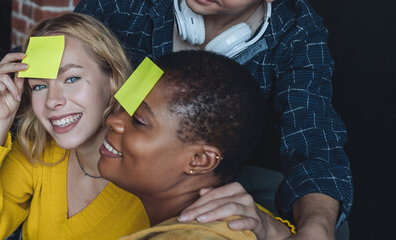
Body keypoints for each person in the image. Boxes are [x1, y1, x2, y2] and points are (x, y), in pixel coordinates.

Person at [75, 0, 352, 238]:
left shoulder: (296, 33)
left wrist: (313, 231)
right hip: (110, 155)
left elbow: (313, 142)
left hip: (236, 179)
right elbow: (55, 53)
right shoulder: (122, 6)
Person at [0, 13, 150, 239]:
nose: (52, 101)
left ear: (113, 80)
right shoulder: (37, 151)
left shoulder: (156, 169)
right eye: (39, 86)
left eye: (71, 79)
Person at [101, 50, 292, 239]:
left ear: (199, 160)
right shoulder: (250, 219)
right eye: (122, 106)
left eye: (138, 120)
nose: (112, 120)